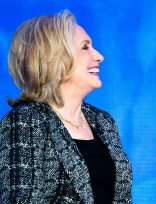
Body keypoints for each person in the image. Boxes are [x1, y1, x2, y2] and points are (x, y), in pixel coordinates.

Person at [0, 10, 132, 203]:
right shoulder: (26, 121)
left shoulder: (103, 122)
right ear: (55, 58)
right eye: (85, 48)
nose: (99, 56)